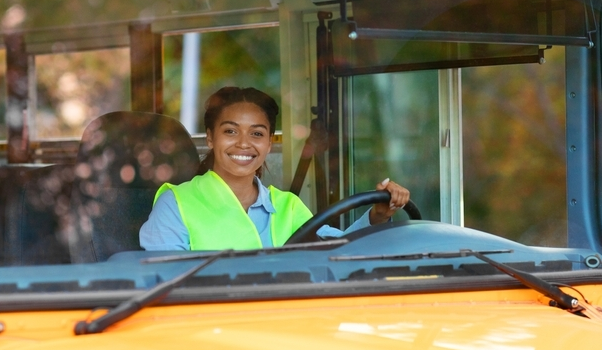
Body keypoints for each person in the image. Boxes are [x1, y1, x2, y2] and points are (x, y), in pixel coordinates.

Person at [139, 86, 410, 251]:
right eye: (231, 131)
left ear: (269, 143)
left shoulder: (287, 207)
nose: (244, 143)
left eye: (257, 134)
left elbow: (341, 252)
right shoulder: (176, 204)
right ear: (210, 138)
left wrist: (377, 216)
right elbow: (161, 286)